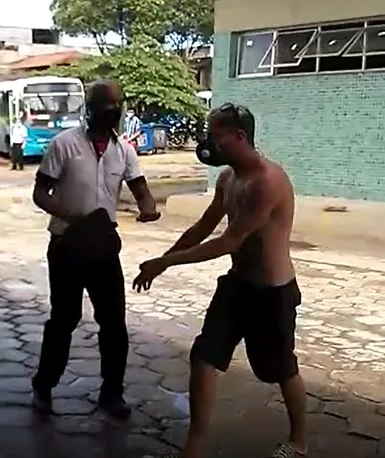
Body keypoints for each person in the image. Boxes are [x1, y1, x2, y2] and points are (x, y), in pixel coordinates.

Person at [134, 104, 307, 458]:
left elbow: (229, 241)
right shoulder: (228, 178)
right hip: (236, 286)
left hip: (272, 293)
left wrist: (165, 262)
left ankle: (299, 442)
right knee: (204, 356)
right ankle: (193, 450)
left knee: (280, 369)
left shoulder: (267, 182)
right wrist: (163, 262)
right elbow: (204, 226)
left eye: (216, 135)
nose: (208, 141)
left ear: (239, 137)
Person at [30, 80, 160, 420]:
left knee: (114, 323)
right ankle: (44, 387)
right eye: (104, 105)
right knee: (64, 319)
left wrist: (148, 207)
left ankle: (111, 393)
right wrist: (71, 215)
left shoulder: (124, 152)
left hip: (103, 249)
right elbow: (40, 193)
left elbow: (141, 189)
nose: (111, 112)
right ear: (89, 109)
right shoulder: (64, 145)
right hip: (66, 247)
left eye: (116, 106)